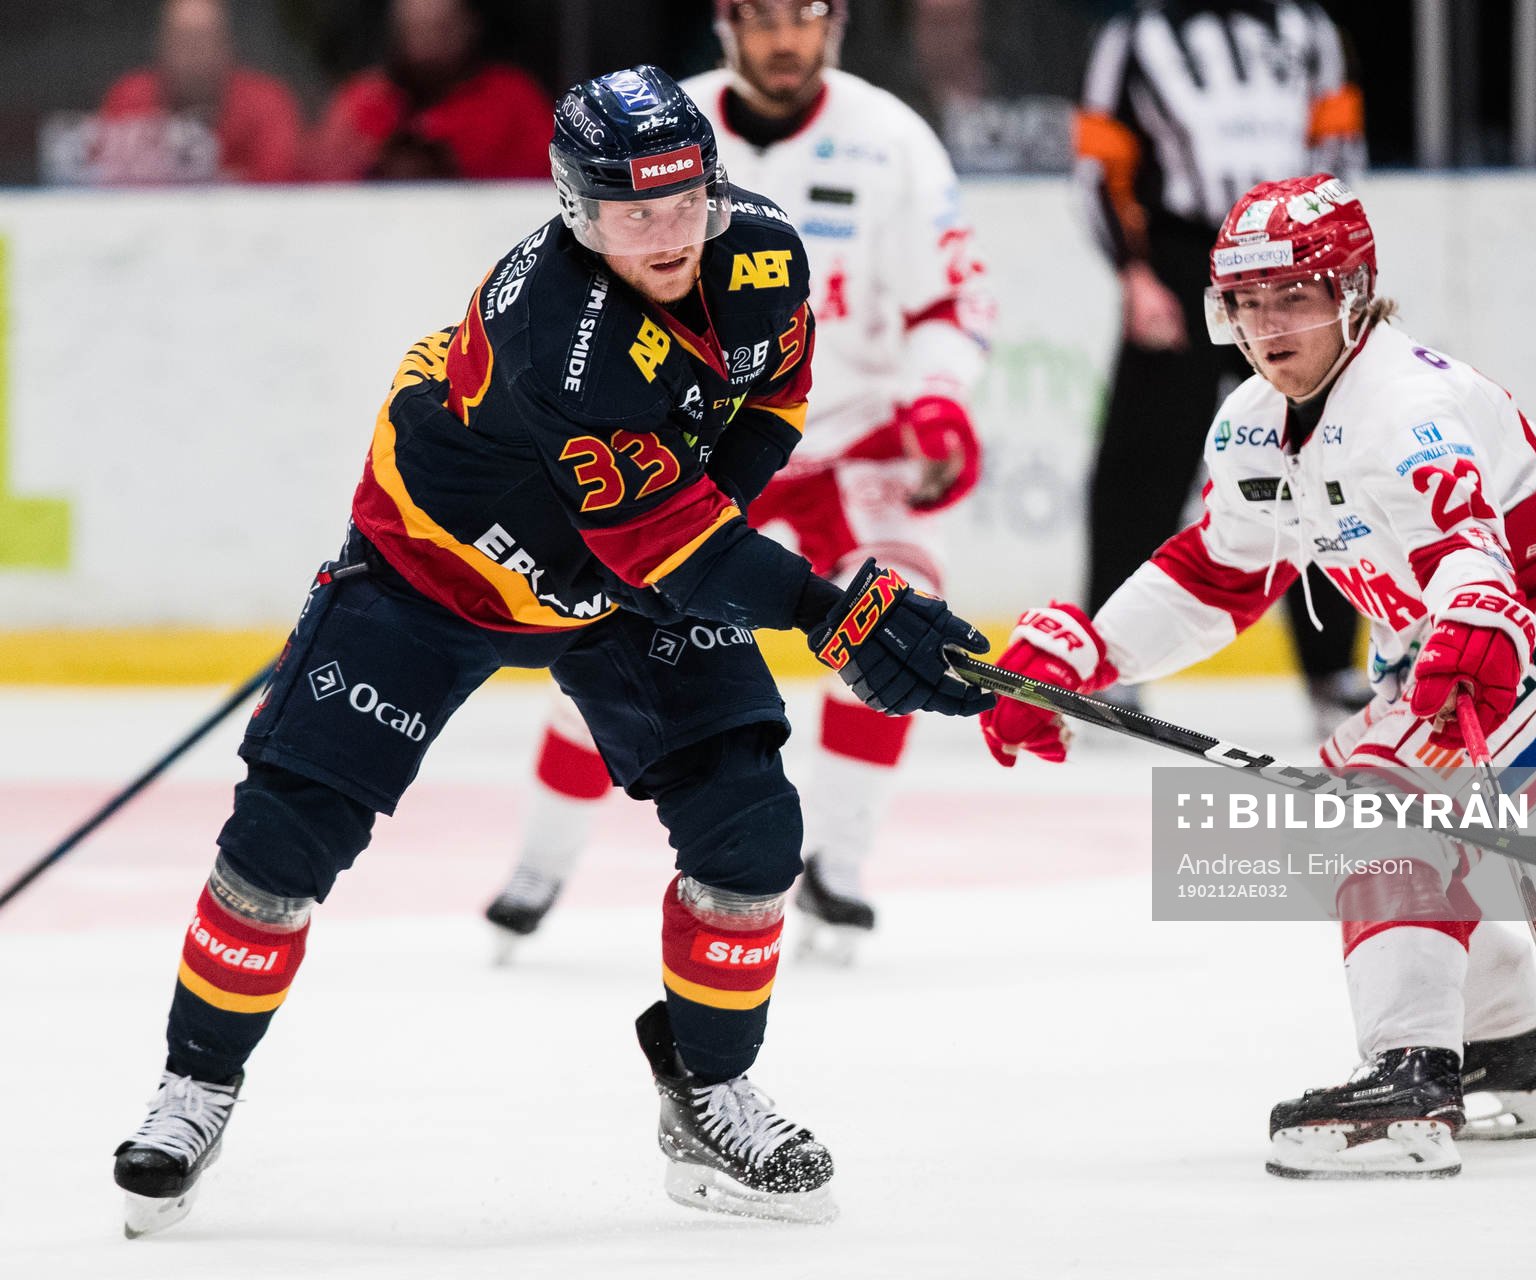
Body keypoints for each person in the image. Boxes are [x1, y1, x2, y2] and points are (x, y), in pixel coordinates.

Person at [109, 64, 995, 1236]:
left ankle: (710, 1090)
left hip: (622, 575)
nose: (668, 233)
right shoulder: (564, 338)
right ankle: (197, 1085)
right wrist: (828, 609)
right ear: (578, 209)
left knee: (750, 829)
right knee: (283, 838)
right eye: (635, 212)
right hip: (438, 568)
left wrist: (733, 522)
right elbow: (671, 547)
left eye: (686, 201)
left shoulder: (765, 257)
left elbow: (774, 400)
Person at [979, 174, 1536, 1178]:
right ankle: (1498, 1046)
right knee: (1365, 809)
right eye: (1247, 302)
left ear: (1354, 292)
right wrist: (1092, 651)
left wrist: (1475, 619)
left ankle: (1410, 1083)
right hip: (1460, 626)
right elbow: (1220, 571)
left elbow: (1468, 547)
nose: (1267, 328)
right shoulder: (1252, 422)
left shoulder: (1405, 404)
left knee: (1386, 808)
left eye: (1293, 297)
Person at [483, 0, 990, 961]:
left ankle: (838, 867)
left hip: (851, 441)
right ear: (726, 24)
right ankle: (539, 865)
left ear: (835, 24)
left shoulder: (892, 140)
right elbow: (575, 289)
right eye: (763, 16)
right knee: (611, 647)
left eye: (805, 15)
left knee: (895, 615)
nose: (785, 39)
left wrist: (937, 397)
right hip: (691, 450)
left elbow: (950, 299)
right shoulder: (663, 131)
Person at [1074, 0, 1370, 736]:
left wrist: (1329, 267)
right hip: (1180, 258)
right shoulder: (1136, 36)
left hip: (1292, 267)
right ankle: (1108, 664)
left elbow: (1340, 149)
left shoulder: (1309, 29)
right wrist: (1133, 272)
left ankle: (1332, 669)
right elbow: (1097, 165)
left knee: (1320, 457)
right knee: (1141, 468)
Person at [307, 0, 552, 180]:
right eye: (414, 31)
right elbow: (318, 187)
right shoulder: (362, 101)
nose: (426, 47)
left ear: (470, 27)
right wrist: (372, 166)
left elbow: (554, 181)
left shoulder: (512, 98)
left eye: (440, 30)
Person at [92, 0, 304, 184]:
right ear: (162, 45)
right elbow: (105, 181)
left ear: (227, 45)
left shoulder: (267, 103)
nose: (194, 54)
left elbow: (277, 188)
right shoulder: (129, 99)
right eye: (183, 41)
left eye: (204, 40)